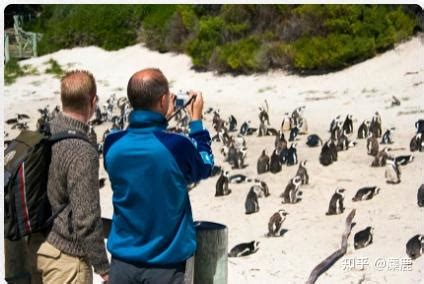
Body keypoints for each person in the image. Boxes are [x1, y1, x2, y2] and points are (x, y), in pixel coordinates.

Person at [103, 68, 214, 283]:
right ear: (164, 100)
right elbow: (205, 165)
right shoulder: (176, 145)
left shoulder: (112, 143)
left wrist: (160, 120)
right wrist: (196, 120)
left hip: (121, 265)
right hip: (165, 267)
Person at [28, 70, 109, 283]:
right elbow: (86, 217)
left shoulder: (47, 130)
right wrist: (103, 267)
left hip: (41, 248)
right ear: (93, 102)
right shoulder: (81, 151)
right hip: (67, 260)